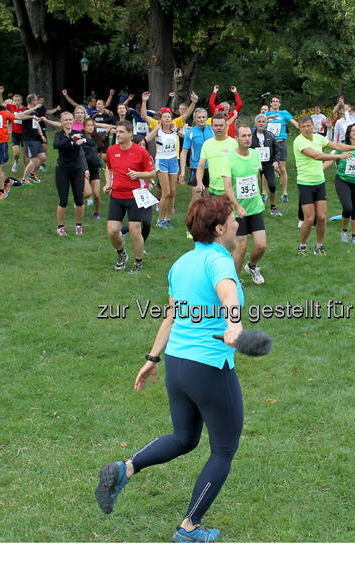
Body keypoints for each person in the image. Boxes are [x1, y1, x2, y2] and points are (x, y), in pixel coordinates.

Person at [95, 196, 245, 543]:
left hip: (177, 365)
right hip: (209, 367)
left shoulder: (181, 263)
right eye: (232, 220)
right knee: (223, 450)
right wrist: (234, 326)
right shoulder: (219, 262)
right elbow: (229, 296)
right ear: (219, 229)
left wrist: (152, 358)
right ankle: (189, 528)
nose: (238, 223)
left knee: (184, 437)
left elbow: (172, 315)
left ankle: (125, 468)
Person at [293, 115, 355, 255]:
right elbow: (317, 156)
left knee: (322, 217)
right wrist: (339, 156)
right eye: (303, 126)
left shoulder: (318, 137)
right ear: (299, 128)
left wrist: (354, 147)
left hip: (320, 182)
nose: (306, 128)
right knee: (310, 218)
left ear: (313, 126)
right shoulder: (299, 141)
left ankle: (319, 246)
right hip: (305, 183)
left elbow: (335, 145)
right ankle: (302, 246)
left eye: (309, 125)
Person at [104, 121, 157, 272]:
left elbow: (152, 173)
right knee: (112, 230)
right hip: (116, 196)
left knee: (135, 231)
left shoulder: (141, 152)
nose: (117, 134)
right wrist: (108, 183)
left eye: (121, 132)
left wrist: (138, 174)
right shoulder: (111, 150)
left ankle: (138, 262)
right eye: (116, 132)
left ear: (130, 134)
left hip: (135, 195)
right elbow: (108, 168)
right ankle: (122, 254)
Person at [222, 124, 268, 283]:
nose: (248, 138)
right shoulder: (229, 158)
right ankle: (234, 280)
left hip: (255, 207)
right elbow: (227, 186)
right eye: (244, 136)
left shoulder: (255, 154)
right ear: (237, 139)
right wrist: (237, 205)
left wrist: (263, 192)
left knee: (261, 245)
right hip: (237, 211)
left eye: (249, 135)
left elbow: (258, 176)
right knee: (241, 247)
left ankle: (252, 266)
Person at [52, 111, 88, 236]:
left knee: (79, 199)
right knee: (63, 200)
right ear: (61, 122)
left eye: (69, 120)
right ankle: (60, 227)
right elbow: (56, 145)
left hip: (77, 170)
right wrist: (70, 140)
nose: (68, 122)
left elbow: (86, 146)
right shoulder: (59, 135)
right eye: (65, 120)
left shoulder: (77, 134)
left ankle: (78, 226)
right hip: (62, 169)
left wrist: (81, 140)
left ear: (73, 121)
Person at [147, 109, 181, 228]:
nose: (167, 119)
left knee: (172, 192)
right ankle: (159, 220)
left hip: (173, 160)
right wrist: (156, 129)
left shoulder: (173, 130)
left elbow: (186, 137)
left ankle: (168, 218)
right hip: (162, 161)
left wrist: (177, 131)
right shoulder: (158, 130)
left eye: (169, 117)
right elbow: (147, 138)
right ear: (161, 119)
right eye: (165, 117)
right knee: (165, 193)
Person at [195, 114, 239, 198]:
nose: (218, 128)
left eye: (221, 125)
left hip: (232, 190)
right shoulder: (207, 144)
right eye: (216, 125)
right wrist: (199, 183)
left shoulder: (234, 143)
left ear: (226, 126)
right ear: (211, 127)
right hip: (214, 190)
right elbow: (200, 166)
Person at [265, 96, 296, 203]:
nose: (275, 103)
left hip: (280, 143)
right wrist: (267, 119)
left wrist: (302, 128)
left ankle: (285, 193)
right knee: (266, 168)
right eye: (273, 101)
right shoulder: (266, 115)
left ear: (280, 104)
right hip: (268, 144)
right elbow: (258, 124)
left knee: (282, 169)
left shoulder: (284, 113)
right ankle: (264, 193)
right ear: (270, 104)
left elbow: (294, 122)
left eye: (277, 101)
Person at [180, 108, 214, 195]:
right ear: (194, 119)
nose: (201, 119)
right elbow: (184, 152)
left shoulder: (212, 130)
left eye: (203, 117)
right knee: (196, 198)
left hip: (211, 167)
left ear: (207, 118)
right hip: (196, 167)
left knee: (209, 198)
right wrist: (182, 172)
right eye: (199, 117)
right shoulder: (190, 133)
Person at [252, 112, 281, 216]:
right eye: (259, 121)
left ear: (266, 123)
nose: (261, 123)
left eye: (263, 121)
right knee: (256, 188)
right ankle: (256, 207)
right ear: (255, 123)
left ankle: (273, 207)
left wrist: (276, 161)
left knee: (272, 186)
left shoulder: (270, 135)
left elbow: (277, 150)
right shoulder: (250, 136)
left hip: (268, 165)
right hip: (255, 166)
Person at [81, 118, 105, 220]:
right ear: (84, 127)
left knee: (96, 195)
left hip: (95, 170)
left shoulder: (97, 138)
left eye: (92, 125)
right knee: (87, 193)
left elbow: (98, 154)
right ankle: (78, 199)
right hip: (84, 169)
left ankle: (96, 212)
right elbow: (80, 155)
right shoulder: (80, 138)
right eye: (88, 125)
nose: (91, 127)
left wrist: (100, 164)